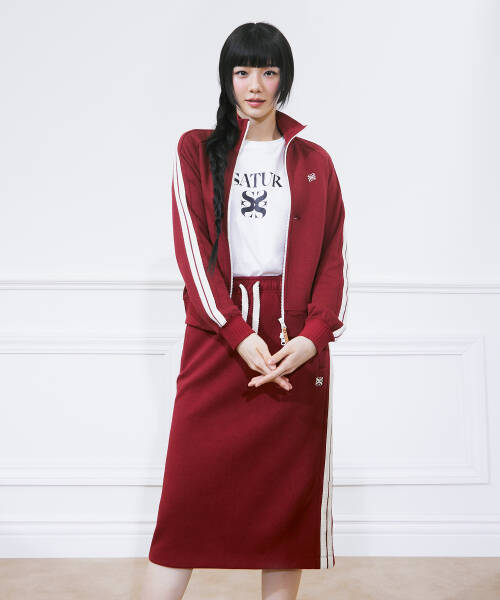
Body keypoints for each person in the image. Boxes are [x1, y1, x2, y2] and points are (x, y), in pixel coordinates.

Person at [140, 21, 349, 600]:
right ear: (226, 78)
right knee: (185, 504)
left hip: (294, 348)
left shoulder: (314, 161)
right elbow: (192, 253)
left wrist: (312, 338)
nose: (255, 85)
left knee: (285, 514)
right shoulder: (196, 149)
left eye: (268, 71)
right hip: (217, 339)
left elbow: (335, 256)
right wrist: (236, 331)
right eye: (242, 71)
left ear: (285, 79)